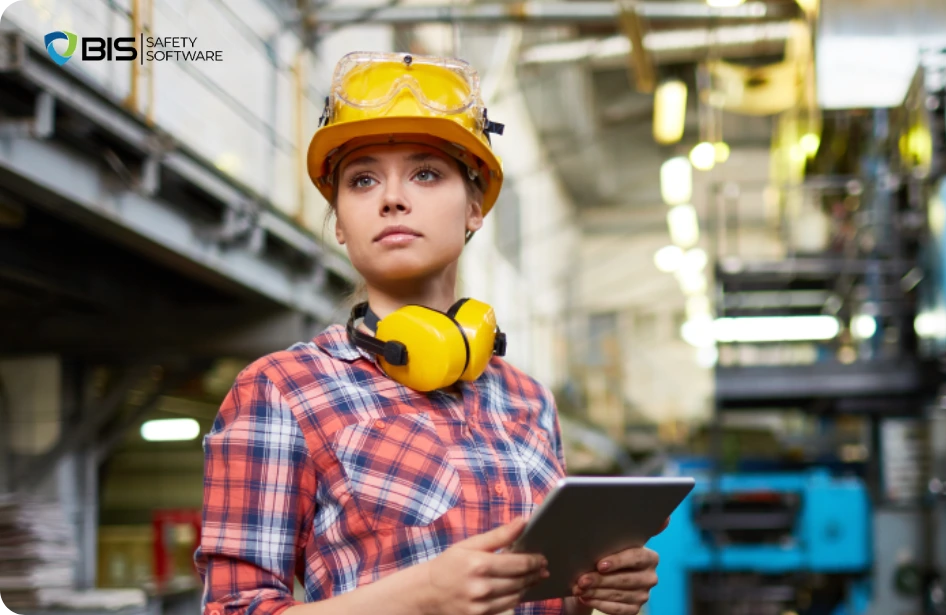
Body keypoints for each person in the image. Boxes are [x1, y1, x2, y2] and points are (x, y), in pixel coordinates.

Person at [194, 52, 661, 615]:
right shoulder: (281, 391)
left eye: (426, 173)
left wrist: (596, 594)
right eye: (363, 179)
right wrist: (422, 597)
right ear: (340, 221)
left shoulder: (527, 400)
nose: (392, 198)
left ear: (475, 207)